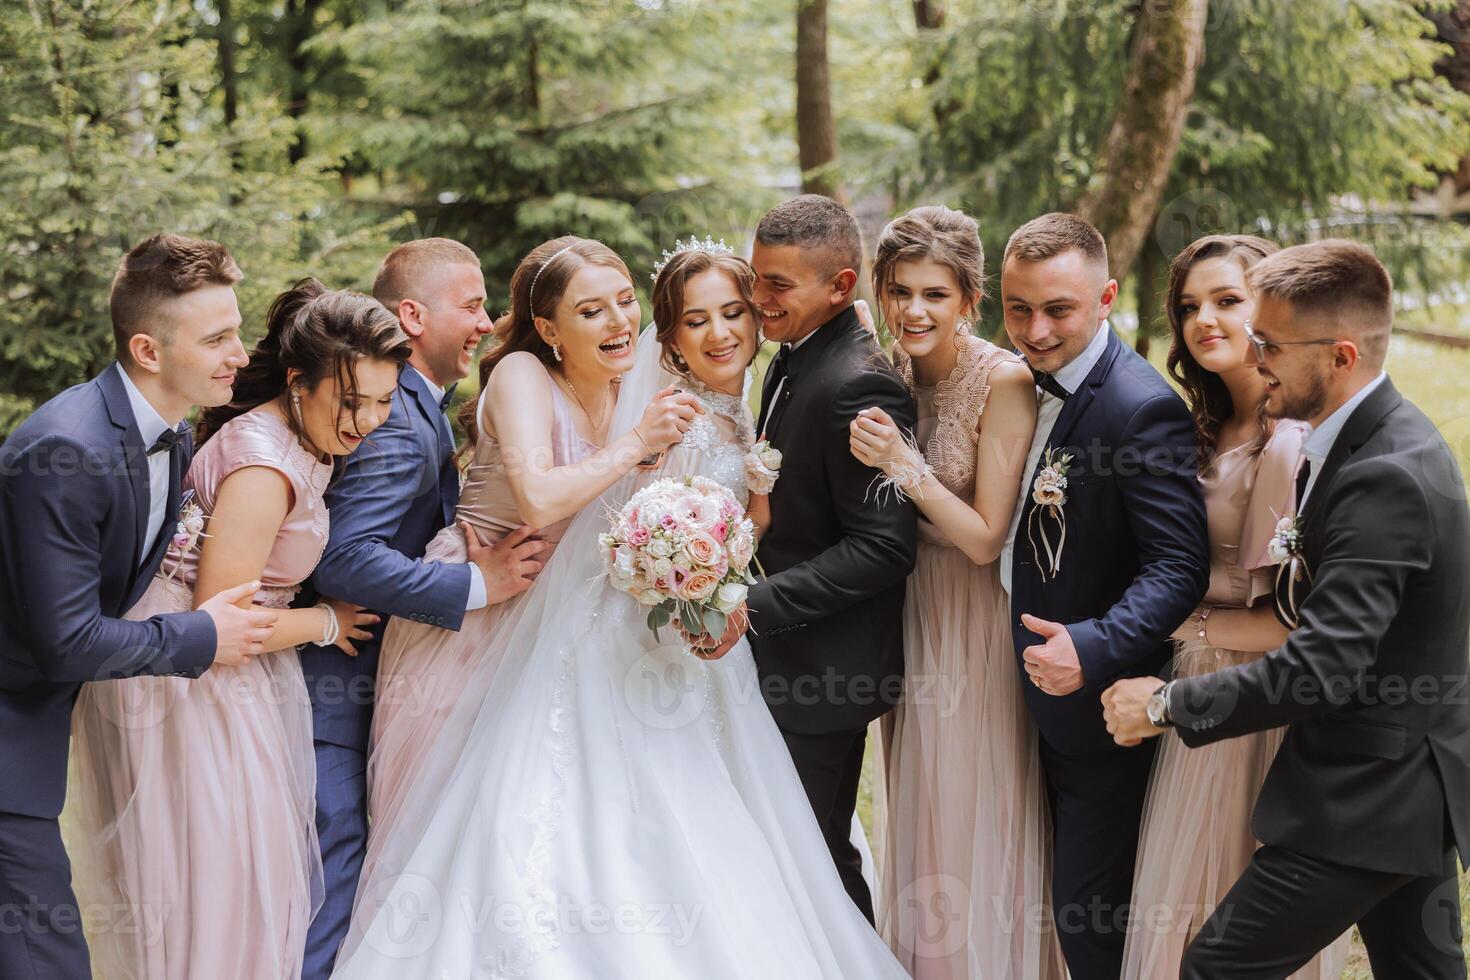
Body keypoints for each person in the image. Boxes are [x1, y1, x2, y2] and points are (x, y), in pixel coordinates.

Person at [329, 238, 911, 979]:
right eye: (591, 309)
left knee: (715, 810)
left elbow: (714, 522)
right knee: (515, 800)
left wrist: (737, 530)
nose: (720, 331)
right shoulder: (640, 403)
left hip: (669, 629)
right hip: (556, 614)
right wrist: (672, 535)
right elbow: (624, 511)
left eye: (733, 313)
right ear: (552, 325)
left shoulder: (723, 396)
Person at [1103, 239, 1470, 980]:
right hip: (1404, 782)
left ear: (1340, 356)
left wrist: (1167, 705)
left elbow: (1321, 666)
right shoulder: (1364, 440)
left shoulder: (1384, 477)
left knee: (1216, 967)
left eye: (1270, 343)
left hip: (1372, 794)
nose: (1253, 354)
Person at [67, 279, 408, 979]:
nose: (368, 420)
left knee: (239, 885)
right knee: (218, 889)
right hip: (192, 686)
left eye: (383, 399)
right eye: (352, 401)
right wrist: (323, 621)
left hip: (226, 677)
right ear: (297, 381)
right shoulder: (263, 463)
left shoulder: (297, 437)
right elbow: (219, 624)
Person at [360, 235, 700, 865]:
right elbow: (540, 498)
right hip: (477, 615)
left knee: (569, 825)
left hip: (564, 623)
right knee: (456, 829)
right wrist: (635, 444)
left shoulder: (633, 388)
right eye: (591, 310)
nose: (621, 321)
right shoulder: (523, 375)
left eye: (626, 301)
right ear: (548, 327)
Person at [0, 233, 277, 979]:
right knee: (46, 955)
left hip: (36, 725)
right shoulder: (64, 451)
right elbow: (66, 641)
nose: (240, 353)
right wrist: (201, 635)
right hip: (10, 731)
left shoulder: (173, 433)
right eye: (217, 338)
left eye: (238, 330)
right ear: (149, 350)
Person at [301, 238, 544, 977]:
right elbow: (342, 554)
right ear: (412, 314)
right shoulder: (400, 423)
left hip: (378, 687)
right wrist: (477, 586)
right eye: (471, 304)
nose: (487, 321)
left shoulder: (418, 406)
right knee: (332, 884)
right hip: (335, 695)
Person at [1120, 234, 1350, 979]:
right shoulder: (1202, 420)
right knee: (1181, 905)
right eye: (1190, 306)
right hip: (1192, 686)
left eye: (1227, 301)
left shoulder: (1288, 444)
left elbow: (1292, 622)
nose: (1203, 320)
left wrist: (1184, 625)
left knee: (1223, 897)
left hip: (1250, 702)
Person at [846, 205, 1062, 977]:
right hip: (904, 608)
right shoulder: (888, 372)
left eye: (935, 294)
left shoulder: (1003, 381)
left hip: (972, 615)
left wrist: (905, 467)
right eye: (900, 290)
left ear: (970, 299)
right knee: (921, 798)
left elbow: (982, 536)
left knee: (973, 793)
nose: (913, 310)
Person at [1000, 212, 1210, 979]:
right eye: (1017, 307)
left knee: (1093, 920)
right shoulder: (1025, 384)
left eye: (1058, 308)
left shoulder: (1140, 406)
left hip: (1101, 708)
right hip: (1032, 700)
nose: (1035, 328)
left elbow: (1177, 567)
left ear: (1107, 297)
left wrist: (1090, 646)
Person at [704, 194, 918, 922]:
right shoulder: (793, 359)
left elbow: (882, 548)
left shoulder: (858, 383)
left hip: (824, 671)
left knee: (818, 858)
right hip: (779, 658)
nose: (756, 299)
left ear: (840, 286)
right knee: (783, 851)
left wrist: (749, 606)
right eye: (756, 277)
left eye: (777, 285)